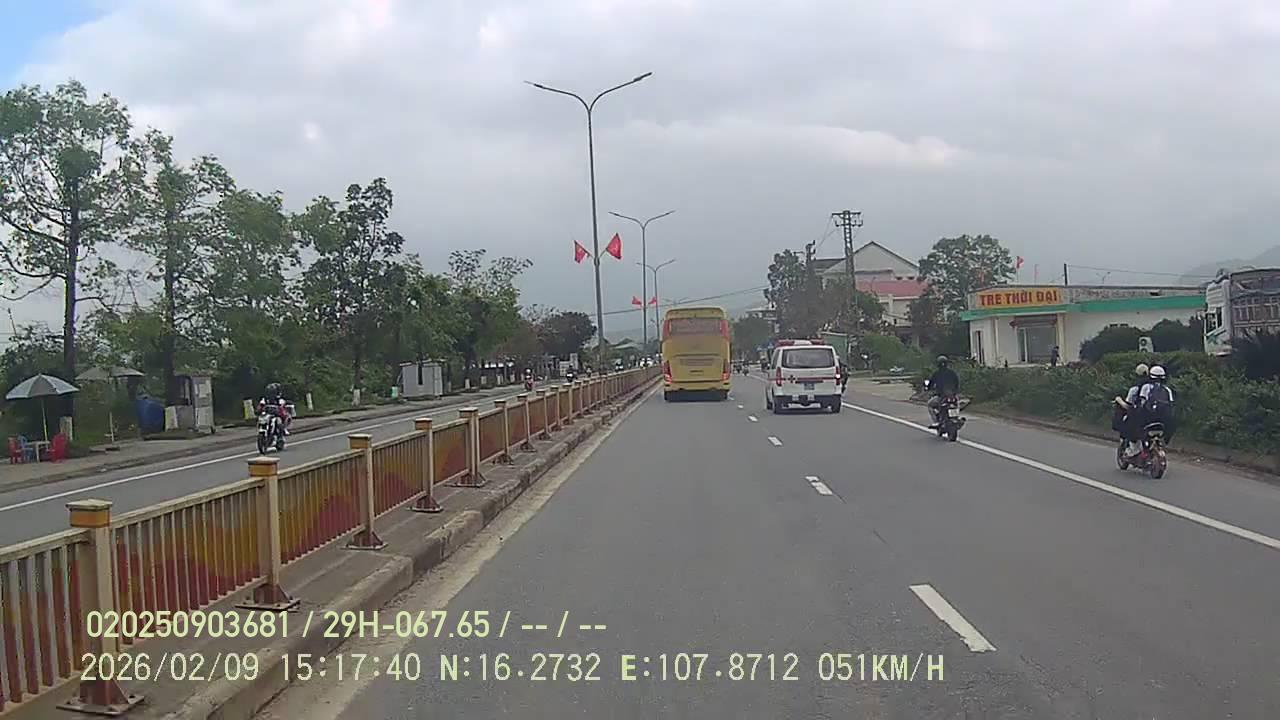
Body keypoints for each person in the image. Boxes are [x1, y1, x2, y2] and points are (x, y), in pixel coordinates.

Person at [1115, 363, 1149, 455]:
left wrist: (1119, 400)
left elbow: (1127, 406)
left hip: (1138, 418)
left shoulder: (1135, 389)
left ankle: (1133, 449)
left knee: (1126, 425)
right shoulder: (1153, 388)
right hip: (1154, 418)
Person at [926, 355, 960, 429]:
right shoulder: (952, 373)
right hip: (953, 396)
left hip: (941, 396)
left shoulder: (936, 373)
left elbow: (931, 384)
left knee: (930, 405)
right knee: (957, 404)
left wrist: (928, 388)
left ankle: (936, 421)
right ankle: (956, 417)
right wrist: (955, 391)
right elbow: (957, 383)